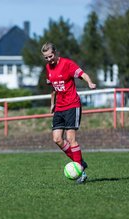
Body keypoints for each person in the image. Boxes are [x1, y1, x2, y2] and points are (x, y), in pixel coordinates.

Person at [41, 42, 96, 184]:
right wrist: (52, 103)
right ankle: (80, 163)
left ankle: (80, 173)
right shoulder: (48, 68)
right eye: (46, 58)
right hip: (59, 106)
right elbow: (53, 87)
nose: (49, 60)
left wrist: (89, 83)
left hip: (72, 105)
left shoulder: (67, 64)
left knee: (71, 139)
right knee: (57, 139)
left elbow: (82, 74)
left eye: (50, 56)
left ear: (56, 53)